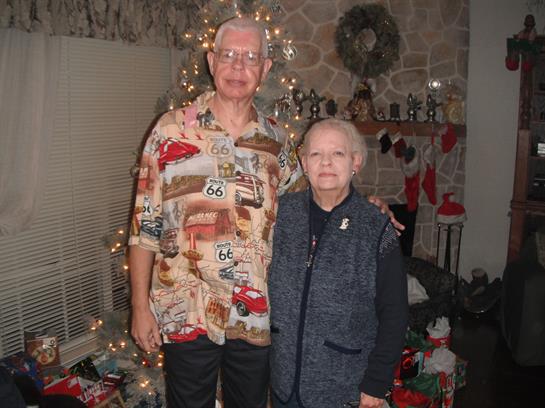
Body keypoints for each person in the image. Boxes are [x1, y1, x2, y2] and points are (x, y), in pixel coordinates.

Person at [129, 17, 402, 408]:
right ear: (211, 61)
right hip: (186, 312)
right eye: (229, 55)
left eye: (251, 57)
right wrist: (141, 308)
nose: (238, 67)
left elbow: (318, 190)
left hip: (253, 316)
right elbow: (144, 226)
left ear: (265, 69)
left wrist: (368, 209)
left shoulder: (276, 142)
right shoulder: (170, 131)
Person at [268, 118, 409, 408]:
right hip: (282, 383)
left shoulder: (375, 227)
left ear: (356, 161)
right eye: (316, 154)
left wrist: (376, 382)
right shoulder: (281, 214)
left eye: (338, 154)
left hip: (345, 389)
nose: (326, 162)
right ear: (304, 162)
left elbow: (395, 313)